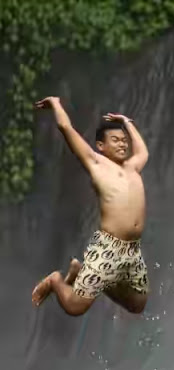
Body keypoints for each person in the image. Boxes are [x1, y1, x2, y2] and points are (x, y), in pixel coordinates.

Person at [31, 97, 150, 316]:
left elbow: (143, 152)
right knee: (75, 308)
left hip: (132, 248)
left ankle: (85, 274)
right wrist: (56, 104)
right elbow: (65, 127)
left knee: (137, 304)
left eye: (124, 140)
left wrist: (127, 122)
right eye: (116, 140)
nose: (123, 144)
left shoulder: (133, 167)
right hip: (108, 247)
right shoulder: (96, 164)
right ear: (101, 146)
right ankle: (56, 280)